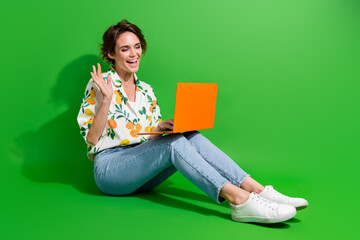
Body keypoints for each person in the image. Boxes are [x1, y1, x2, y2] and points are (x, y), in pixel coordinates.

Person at [76, 19, 308, 224]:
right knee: (173, 144)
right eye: (124, 49)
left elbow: (145, 135)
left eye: (137, 47)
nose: (134, 54)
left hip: (141, 168)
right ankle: (239, 200)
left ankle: (256, 189)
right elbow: (92, 139)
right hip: (110, 171)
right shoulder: (101, 82)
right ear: (111, 54)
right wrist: (106, 100)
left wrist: (159, 128)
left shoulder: (146, 90)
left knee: (189, 134)